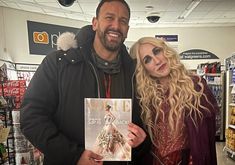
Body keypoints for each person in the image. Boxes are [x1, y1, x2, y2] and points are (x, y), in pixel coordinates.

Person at [20, 0, 150, 165]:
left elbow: (144, 127)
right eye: (109, 17)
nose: (116, 26)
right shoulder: (59, 63)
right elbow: (31, 117)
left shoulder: (135, 73)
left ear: (127, 30)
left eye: (123, 21)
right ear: (95, 23)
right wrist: (74, 156)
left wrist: (141, 142)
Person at [129, 37, 218, 165]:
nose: (157, 61)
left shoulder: (195, 86)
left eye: (157, 51)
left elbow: (205, 138)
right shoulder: (144, 97)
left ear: (166, 51)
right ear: (143, 68)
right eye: (147, 60)